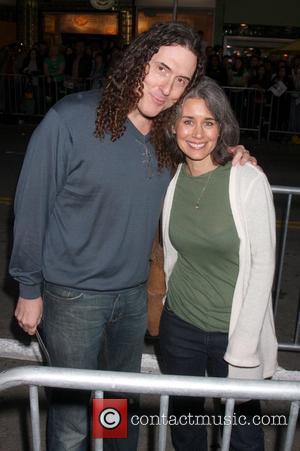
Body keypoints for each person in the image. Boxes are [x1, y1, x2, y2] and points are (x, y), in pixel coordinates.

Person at [10, 23, 254, 451]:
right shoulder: (70, 118)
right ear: (137, 60)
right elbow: (30, 207)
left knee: (118, 412)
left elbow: (202, 148)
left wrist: (230, 152)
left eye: (181, 80)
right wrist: (29, 288)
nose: (168, 88)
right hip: (72, 299)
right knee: (71, 421)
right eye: (161, 69)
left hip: (132, 298)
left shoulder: (166, 137)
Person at [158, 76, 278, 451]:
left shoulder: (247, 180)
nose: (197, 133)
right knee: (186, 425)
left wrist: (243, 346)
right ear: (173, 126)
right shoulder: (170, 177)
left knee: (243, 431)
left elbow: (263, 267)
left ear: (221, 127)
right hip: (179, 327)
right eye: (188, 121)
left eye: (208, 122)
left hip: (233, 330)